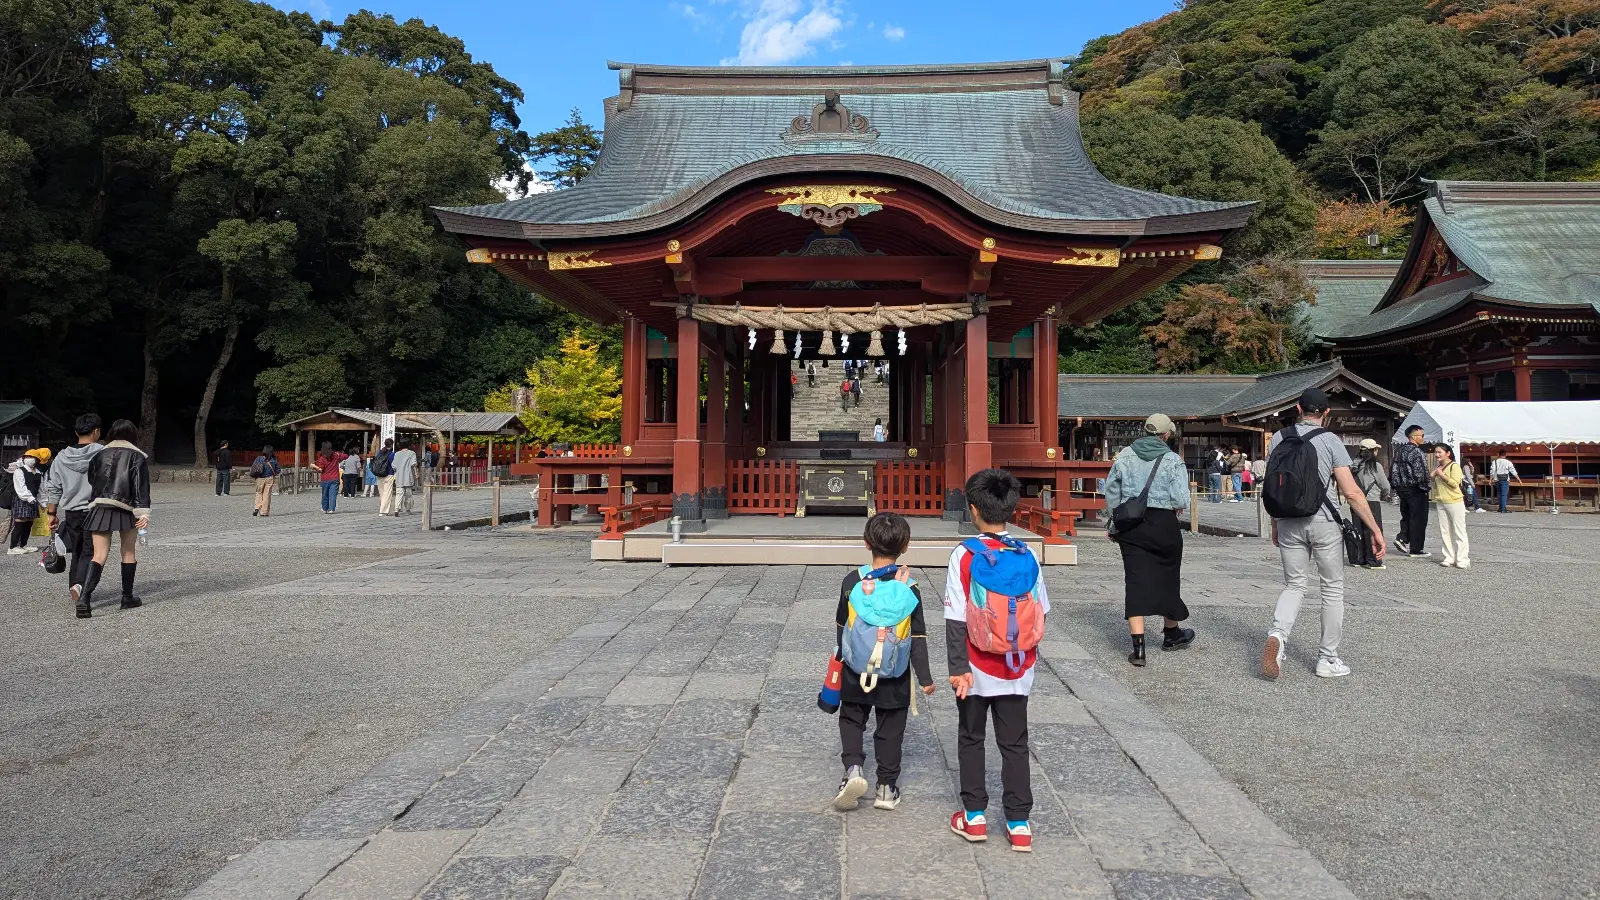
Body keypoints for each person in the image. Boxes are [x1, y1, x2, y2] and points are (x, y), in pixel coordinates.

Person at [946, 468, 1047, 852]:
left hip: (974, 664)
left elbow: (956, 617)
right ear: (1011, 509)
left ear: (974, 510)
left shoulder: (964, 554)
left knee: (971, 738)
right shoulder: (1028, 554)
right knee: (1015, 742)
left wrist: (958, 669)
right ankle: (1019, 823)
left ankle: (974, 817)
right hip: (1018, 666)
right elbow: (1040, 611)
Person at [1261, 388, 1385, 681]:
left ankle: (1278, 634)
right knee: (1331, 588)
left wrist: (1276, 522)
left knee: (1294, 585)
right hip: (1324, 520)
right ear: (1326, 413)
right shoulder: (1331, 440)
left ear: (1298, 408)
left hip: (1289, 519)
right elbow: (1351, 492)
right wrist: (1375, 529)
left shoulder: (1279, 438)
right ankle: (1327, 659)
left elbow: (1274, 483)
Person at [831, 512, 935, 813]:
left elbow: (841, 626)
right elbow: (918, 636)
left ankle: (853, 770)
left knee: (852, 718)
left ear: (866, 544)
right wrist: (925, 678)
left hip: (855, 669)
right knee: (890, 728)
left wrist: (843, 653)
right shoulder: (910, 589)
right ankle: (886, 788)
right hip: (895, 673)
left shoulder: (852, 581)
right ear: (905, 547)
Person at [1104, 414, 1193, 667]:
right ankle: (1171, 634)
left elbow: (1112, 493)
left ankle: (1139, 648)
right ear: (1166, 435)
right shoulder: (1173, 460)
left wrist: (1112, 523)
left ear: (1145, 431)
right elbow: (1180, 500)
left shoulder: (1124, 456)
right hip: (1164, 524)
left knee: (1135, 581)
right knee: (1168, 578)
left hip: (1132, 525)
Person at [77, 419, 151, 617]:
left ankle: (84, 599)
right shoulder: (137, 456)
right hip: (126, 508)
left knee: (98, 555)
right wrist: (143, 513)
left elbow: (92, 479)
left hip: (100, 507)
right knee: (128, 552)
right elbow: (139, 487)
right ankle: (127, 597)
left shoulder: (99, 454)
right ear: (132, 436)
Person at [45, 415, 104, 610]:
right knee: (91, 550)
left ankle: (74, 585)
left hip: (71, 510)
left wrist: (51, 513)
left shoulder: (61, 457)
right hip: (94, 509)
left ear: (77, 433)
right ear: (96, 431)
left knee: (77, 549)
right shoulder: (102, 453)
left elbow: (53, 486)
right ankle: (81, 585)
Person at [1389, 425, 1431, 558]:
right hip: (1415, 489)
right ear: (1413, 437)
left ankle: (1402, 537)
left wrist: (1395, 486)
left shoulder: (1399, 451)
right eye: (1422, 436)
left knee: (1407, 516)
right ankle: (1416, 549)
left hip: (1402, 489)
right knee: (1418, 519)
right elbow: (1421, 472)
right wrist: (1426, 486)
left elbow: (1393, 471)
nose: (1423, 438)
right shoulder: (1417, 452)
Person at [1351, 439, 1390, 569]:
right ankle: (1373, 560)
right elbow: (1384, 485)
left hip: (1355, 502)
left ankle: (1358, 558)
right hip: (1371, 500)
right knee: (1373, 529)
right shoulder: (1375, 465)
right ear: (1373, 450)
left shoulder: (1353, 464)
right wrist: (1384, 494)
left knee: (1358, 529)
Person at [1430, 444, 1470, 569]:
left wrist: (1440, 474)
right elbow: (1437, 485)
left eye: (1440, 452)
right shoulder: (1439, 466)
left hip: (1454, 501)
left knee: (1459, 531)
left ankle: (1463, 559)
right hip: (1441, 501)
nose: (1437, 455)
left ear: (1448, 453)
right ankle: (1448, 556)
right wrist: (1433, 476)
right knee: (1445, 531)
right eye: (1436, 452)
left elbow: (1454, 483)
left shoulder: (1454, 466)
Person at [6, 450, 46, 553]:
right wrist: (29, 498)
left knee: (29, 523)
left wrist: (43, 503)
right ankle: (13, 547)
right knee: (20, 522)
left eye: (31, 456)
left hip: (33, 500)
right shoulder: (19, 471)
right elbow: (20, 487)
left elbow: (41, 489)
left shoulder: (38, 473)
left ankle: (23, 545)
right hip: (22, 499)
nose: (29, 458)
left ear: (37, 460)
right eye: (27, 456)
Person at [250, 445, 280, 517]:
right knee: (266, 495)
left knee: (259, 493)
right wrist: (274, 473)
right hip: (269, 478)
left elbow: (254, 467)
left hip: (260, 478)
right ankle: (264, 512)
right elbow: (278, 470)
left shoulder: (259, 458)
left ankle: (257, 507)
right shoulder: (274, 459)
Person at [315, 442, 345, 514]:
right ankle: (331, 508)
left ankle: (325, 508)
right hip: (335, 478)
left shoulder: (322, 458)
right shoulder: (336, 456)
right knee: (333, 494)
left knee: (325, 494)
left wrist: (314, 467)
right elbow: (345, 456)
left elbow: (321, 469)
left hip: (325, 479)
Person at [393, 440, 420, 514]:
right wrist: (416, 473)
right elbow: (414, 464)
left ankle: (396, 509)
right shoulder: (412, 453)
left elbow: (394, 466)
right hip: (408, 476)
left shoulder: (397, 454)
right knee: (408, 494)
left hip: (399, 476)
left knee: (399, 493)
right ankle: (407, 510)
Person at [373, 438, 397, 515]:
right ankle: (383, 511)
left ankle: (382, 508)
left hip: (379, 475)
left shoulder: (380, 453)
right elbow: (394, 465)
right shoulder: (392, 454)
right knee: (387, 493)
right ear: (392, 444)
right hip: (388, 474)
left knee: (382, 493)